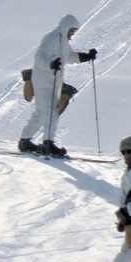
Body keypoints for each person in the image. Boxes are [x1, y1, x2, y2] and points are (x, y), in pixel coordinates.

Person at [17, 13, 97, 158]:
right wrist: (50, 64)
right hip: (43, 81)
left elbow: (70, 57)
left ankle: (25, 140)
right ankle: (48, 142)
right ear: (65, 27)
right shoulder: (52, 38)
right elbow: (39, 56)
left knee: (42, 112)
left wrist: (87, 56)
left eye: (74, 31)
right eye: (71, 30)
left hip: (50, 83)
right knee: (51, 112)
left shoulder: (63, 42)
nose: (73, 33)